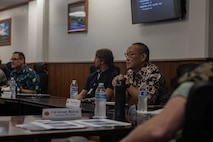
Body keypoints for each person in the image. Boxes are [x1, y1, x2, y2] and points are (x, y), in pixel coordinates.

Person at [120, 62, 213, 142]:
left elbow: (158, 129)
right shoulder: (130, 73)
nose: (127, 58)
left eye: (131, 54)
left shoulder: (204, 74)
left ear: (143, 57)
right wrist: (119, 86)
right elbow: (123, 98)